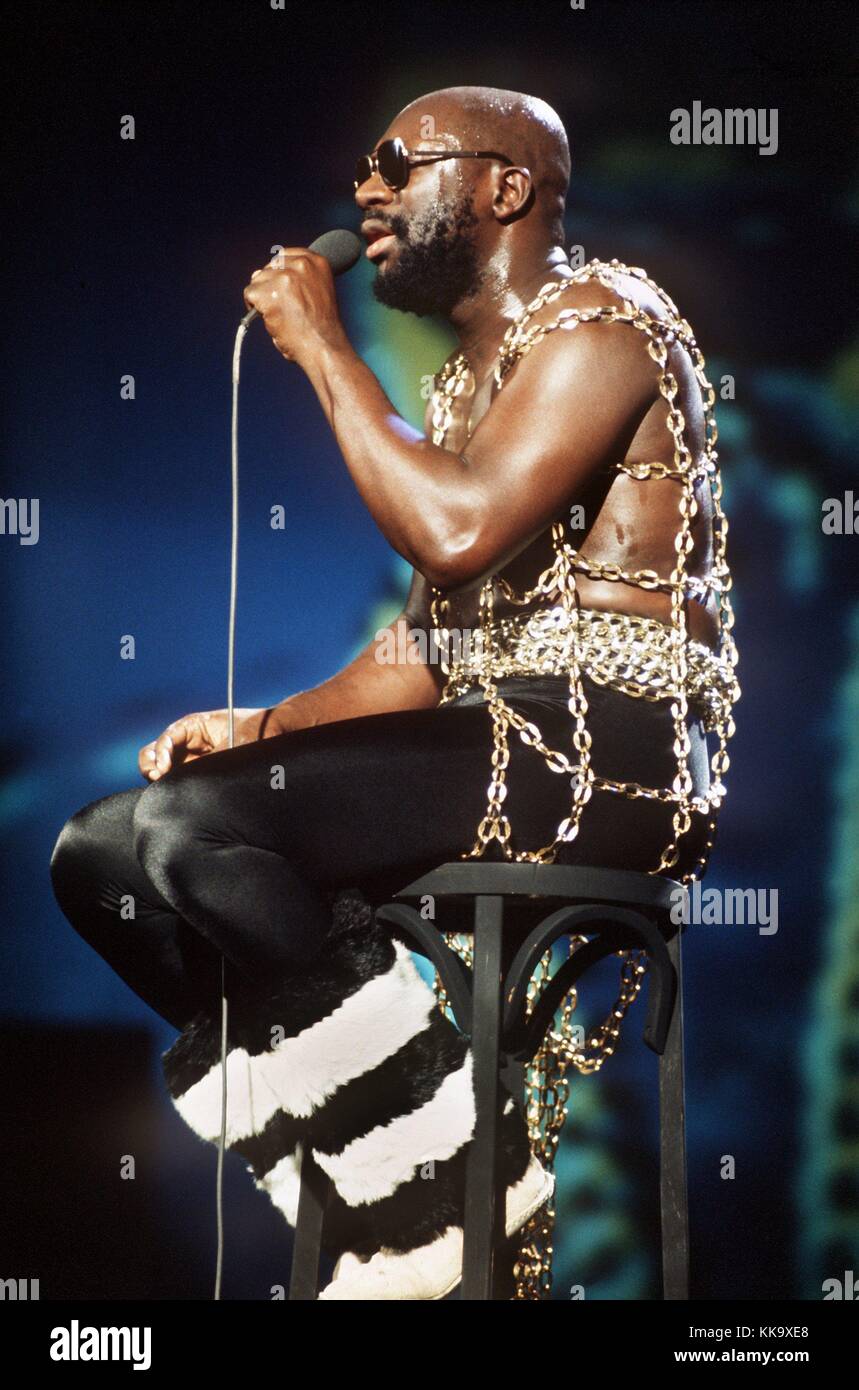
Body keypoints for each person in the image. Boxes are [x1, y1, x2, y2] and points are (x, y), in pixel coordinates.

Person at [49, 85, 739, 1300]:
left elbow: (456, 533)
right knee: (102, 854)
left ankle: (433, 1207)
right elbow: (422, 651)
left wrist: (319, 347)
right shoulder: (465, 390)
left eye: (394, 163)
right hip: (493, 730)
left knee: (195, 828)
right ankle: (395, 1187)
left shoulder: (602, 325)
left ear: (502, 188)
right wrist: (262, 727)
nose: (364, 191)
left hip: (612, 752)